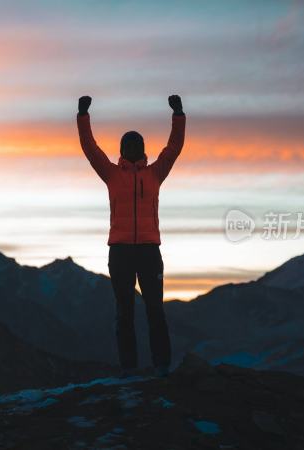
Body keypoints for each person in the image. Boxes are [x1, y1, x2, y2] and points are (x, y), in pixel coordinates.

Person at [76, 95, 186, 377]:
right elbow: (91, 149)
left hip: (149, 250)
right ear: (123, 150)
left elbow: (173, 149)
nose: (133, 147)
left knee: (154, 311)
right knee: (124, 312)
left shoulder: (154, 174)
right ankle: (129, 369)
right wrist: (83, 116)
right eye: (128, 143)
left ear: (142, 149)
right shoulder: (112, 175)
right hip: (121, 251)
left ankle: (161, 366)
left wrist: (178, 115)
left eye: (136, 143)